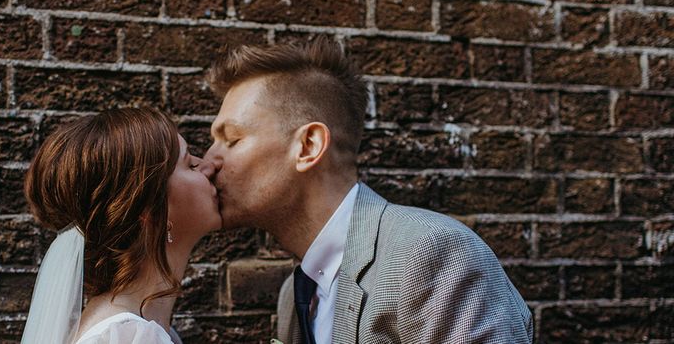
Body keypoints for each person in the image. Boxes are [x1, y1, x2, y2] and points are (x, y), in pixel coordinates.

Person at [203, 37, 533, 344]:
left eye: (231, 139)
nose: (208, 162)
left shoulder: (428, 253)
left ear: (308, 146)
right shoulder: (295, 294)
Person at [21, 107, 220, 344]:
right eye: (190, 164)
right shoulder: (129, 336)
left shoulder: (131, 328)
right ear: (150, 211)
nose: (208, 167)